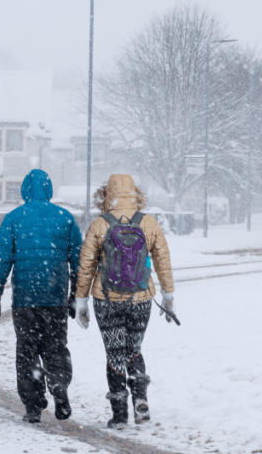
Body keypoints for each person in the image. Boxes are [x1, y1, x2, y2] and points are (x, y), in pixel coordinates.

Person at [74, 174, 175, 430]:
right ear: (135, 193)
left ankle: (119, 414)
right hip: (141, 298)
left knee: (115, 354)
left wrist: (81, 301)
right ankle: (141, 400)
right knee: (134, 350)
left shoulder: (99, 224)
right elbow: (163, 260)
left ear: (106, 195)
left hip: (106, 299)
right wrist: (168, 294)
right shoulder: (149, 222)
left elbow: (86, 265)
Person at [0, 169, 83, 424]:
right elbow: (79, 262)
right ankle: (59, 387)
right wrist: (76, 295)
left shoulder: (14, 218)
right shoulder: (65, 218)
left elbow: (2, 261)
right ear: (49, 189)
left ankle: (33, 405)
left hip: (25, 300)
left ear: (25, 190)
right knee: (55, 348)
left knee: (27, 351)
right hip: (55, 298)